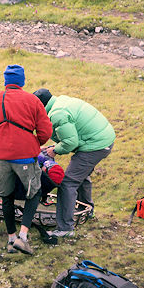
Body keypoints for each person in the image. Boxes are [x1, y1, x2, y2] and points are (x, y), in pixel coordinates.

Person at [0, 65, 53, 255]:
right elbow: (45, 131)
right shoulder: (32, 100)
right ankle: (23, 237)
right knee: (35, 192)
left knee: (5, 196)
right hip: (24, 156)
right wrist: (34, 143)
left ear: (6, 82)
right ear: (22, 81)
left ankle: (11, 239)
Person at [33, 88, 116, 237]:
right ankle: (87, 210)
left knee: (68, 183)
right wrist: (53, 147)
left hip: (96, 145)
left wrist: (55, 151)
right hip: (103, 139)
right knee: (81, 175)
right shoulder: (60, 102)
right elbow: (71, 136)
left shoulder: (57, 114)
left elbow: (70, 142)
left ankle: (65, 228)